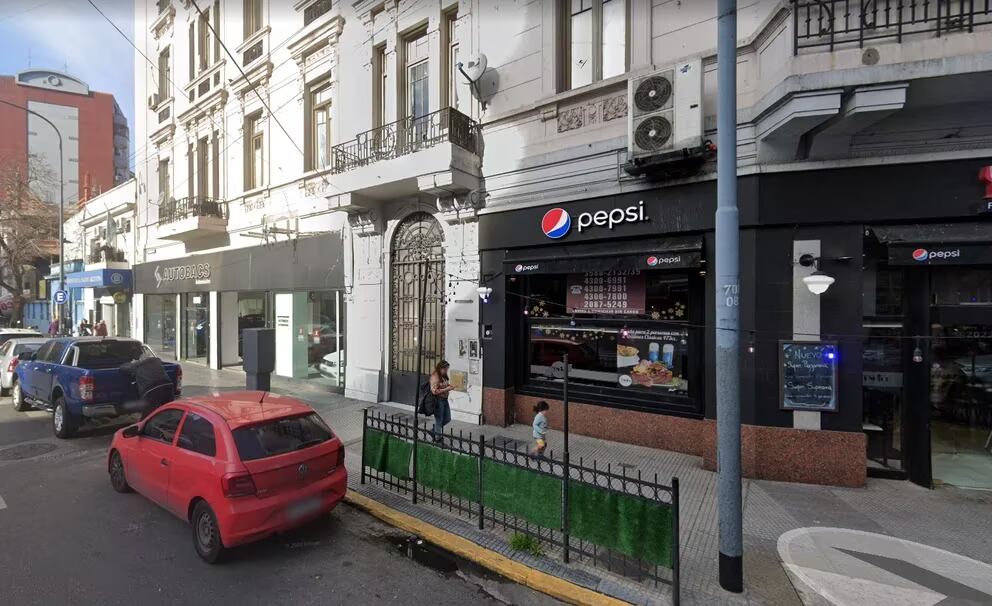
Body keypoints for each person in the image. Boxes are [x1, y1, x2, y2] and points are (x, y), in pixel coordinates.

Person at [120, 352, 175, 420]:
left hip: (151, 390)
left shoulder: (138, 365)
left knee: (148, 414)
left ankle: (145, 427)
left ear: (141, 360)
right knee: (168, 409)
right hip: (168, 386)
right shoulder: (157, 361)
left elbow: (123, 368)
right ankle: (170, 423)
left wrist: (132, 363)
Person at [429, 360, 454, 442]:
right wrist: (447, 389)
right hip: (438, 401)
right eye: (445, 369)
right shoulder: (435, 376)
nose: (447, 370)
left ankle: (434, 431)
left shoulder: (443, 376)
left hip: (445, 400)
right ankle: (437, 438)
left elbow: (444, 385)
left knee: (447, 418)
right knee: (439, 420)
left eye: (447, 369)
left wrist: (449, 386)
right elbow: (434, 391)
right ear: (440, 368)